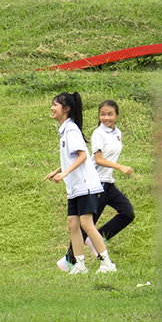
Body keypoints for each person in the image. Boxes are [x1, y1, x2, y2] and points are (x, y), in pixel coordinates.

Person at [62, 100, 136, 271]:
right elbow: (98, 159)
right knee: (86, 224)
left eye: (110, 114)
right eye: (102, 114)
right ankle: (69, 261)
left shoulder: (117, 133)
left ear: (116, 115)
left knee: (127, 213)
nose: (106, 117)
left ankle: (98, 240)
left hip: (108, 183)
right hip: (96, 183)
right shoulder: (98, 133)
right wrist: (121, 167)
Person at [47, 91, 116, 275]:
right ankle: (80, 265)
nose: (52, 108)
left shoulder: (71, 130)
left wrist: (65, 173)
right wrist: (58, 170)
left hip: (85, 185)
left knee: (86, 223)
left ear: (66, 109)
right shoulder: (65, 129)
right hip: (75, 187)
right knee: (72, 223)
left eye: (55, 105)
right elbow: (71, 158)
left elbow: (83, 155)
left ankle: (107, 263)